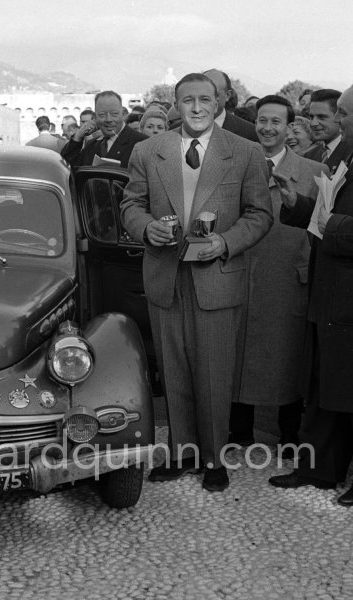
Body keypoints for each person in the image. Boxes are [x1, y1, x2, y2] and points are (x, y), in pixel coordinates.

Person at [120, 73, 273, 492]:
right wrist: (146, 227)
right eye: (188, 100)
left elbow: (260, 214)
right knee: (172, 370)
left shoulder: (244, 152)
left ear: (220, 101)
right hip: (166, 276)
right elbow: (130, 204)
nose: (198, 108)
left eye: (205, 99)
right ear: (176, 104)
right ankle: (181, 452)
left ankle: (214, 458)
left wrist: (225, 241)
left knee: (214, 372)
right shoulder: (148, 150)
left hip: (216, 277)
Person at [268, 85, 353, 506]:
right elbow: (323, 215)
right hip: (330, 293)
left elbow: (334, 222)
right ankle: (318, 470)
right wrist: (297, 204)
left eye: (343, 113)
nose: (337, 119)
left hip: (347, 295)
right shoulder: (342, 156)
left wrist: (330, 222)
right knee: (322, 384)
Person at [231, 95, 329, 450]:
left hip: (288, 279)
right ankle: (238, 432)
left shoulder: (314, 172)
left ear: (290, 127)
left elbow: (323, 230)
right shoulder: (237, 165)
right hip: (242, 273)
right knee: (238, 353)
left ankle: (289, 436)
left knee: (288, 357)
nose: (267, 128)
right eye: (262, 120)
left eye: (276, 122)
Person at [61, 91, 148, 168]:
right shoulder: (92, 146)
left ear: (123, 113)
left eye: (114, 114)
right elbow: (66, 167)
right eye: (102, 115)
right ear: (95, 117)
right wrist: (78, 137)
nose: (108, 119)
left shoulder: (142, 143)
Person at [203, 69, 258, 142]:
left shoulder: (250, 133)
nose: (205, 98)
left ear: (227, 95)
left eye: (214, 93)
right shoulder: (184, 126)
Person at [304, 89, 349, 174]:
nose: (313, 123)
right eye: (311, 117)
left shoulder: (350, 152)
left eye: (321, 117)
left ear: (339, 117)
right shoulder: (309, 155)